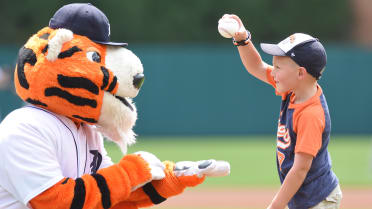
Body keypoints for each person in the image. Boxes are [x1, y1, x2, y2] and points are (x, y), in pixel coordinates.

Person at [220, 14, 342, 209]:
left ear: (300, 73)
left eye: (277, 66)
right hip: (303, 197)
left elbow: (300, 169)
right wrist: (242, 40)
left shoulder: (311, 114)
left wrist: (275, 206)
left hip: (318, 200)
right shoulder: (293, 90)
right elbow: (257, 66)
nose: (272, 71)